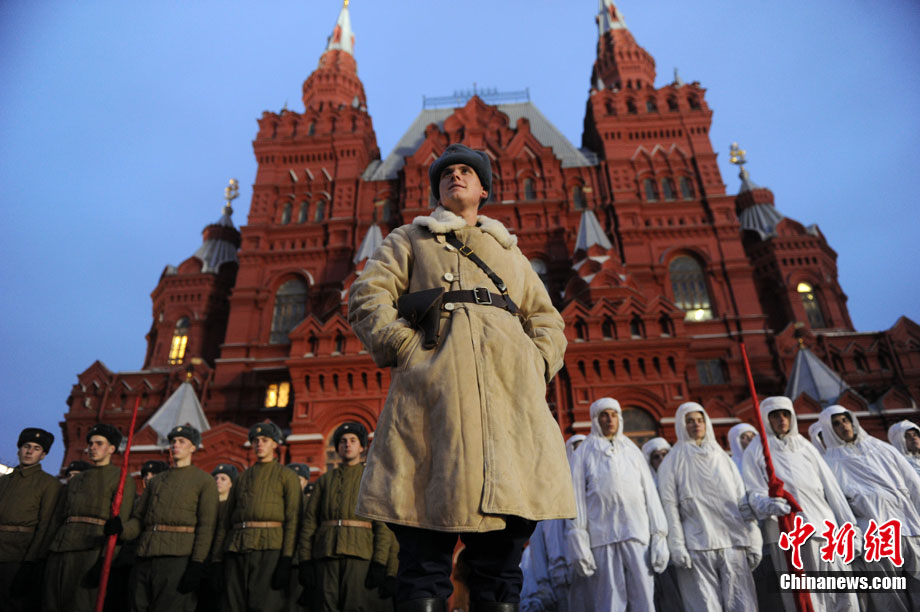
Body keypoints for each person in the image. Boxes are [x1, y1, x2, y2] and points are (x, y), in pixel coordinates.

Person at [348, 143, 574, 612]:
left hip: (511, 409)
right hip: (433, 406)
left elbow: (547, 319)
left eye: (466, 171)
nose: (456, 176)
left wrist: (537, 365)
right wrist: (407, 349)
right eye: (447, 172)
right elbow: (368, 297)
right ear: (436, 190)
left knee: (500, 569)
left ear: (484, 189)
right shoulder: (409, 238)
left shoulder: (511, 253)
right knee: (424, 561)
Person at [741, 396, 859, 612]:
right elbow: (753, 492)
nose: (782, 419)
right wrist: (769, 504)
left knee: (845, 594)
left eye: (785, 414)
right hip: (789, 533)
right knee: (809, 598)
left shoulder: (805, 446)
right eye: (775, 416)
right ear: (767, 419)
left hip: (825, 528)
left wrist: (850, 528)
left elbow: (831, 490)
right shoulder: (757, 450)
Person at [565, 397, 669, 612]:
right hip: (602, 535)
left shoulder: (632, 451)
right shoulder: (584, 453)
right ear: (595, 419)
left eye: (613, 414)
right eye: (604, 415)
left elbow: (649, 494)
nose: (609, 419)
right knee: (609, 600)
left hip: (637, 532)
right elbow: (576, 498)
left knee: (644, 598)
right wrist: (579, 539)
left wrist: (658, 534)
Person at [657, 402, 761, 611]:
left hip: (733, 540)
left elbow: (741, 499)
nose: (696, 425)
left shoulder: (723, 457)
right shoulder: (672, 461)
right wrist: (677, 545)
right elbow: (670, 506)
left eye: (699, 420)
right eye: (690, 421)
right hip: (697, 543)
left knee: (743, 603)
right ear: (681, 425)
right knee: (704, 604)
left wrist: (754, 538)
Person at [105, 425, 218, 611]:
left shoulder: (203, 481)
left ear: (193, 447)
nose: (176, 445)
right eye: (173, 441)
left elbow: (206, 527)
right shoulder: (156, 482)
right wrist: (121, 529)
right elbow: (139, 520)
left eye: (182, 441)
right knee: (137, 606)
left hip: (177, 559)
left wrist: (197, 563)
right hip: (145, 556)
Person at [819, 405, 920, 610]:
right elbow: (839, 506)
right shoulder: (829, 462)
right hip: (874, 537)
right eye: (836, 424)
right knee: (891, 599)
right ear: (829, 430)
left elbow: (913, 485)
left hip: (909, 528)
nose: (843, 426)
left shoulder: (882, 448)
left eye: (845, 420)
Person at [298, 422, 394, 612]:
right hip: (326, 553)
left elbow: (382, 527)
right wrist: (305, 560)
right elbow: (309, 523)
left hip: (360, 555)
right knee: (326, 605)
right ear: (338, 447)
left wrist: (380, 562)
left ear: (361, 447)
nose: (347, 445)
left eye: (352, 440)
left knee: (355, 605)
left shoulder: (371, 479)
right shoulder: (325, 481)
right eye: (342, 441)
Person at [43, 423, 136, 612]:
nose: (92, 447)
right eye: (91, 443)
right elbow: (58, 517)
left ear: (111, 449)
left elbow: (118, 525)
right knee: (51, 602)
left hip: (90, 551)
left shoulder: (121, 478)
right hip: (60, 548)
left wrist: (104, 561)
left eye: (99, 443)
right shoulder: (76, 479)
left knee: (80, 604)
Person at [212, 421, 301, 612]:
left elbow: (294, 519)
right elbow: (225, 522)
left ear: (275, 444)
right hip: (237, 547)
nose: (259, 444)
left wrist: (287, 558)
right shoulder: (242, 478)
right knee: (233, 605)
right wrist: (217, 559)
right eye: (256, 440)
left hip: (269, 549)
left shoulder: (286, 476)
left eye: (265, 440)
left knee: (264, 605)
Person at [0, 428, 61, 611]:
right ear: (19, 449)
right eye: (26, 446)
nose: (29, 452)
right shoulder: (4, 481)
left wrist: (31, 561)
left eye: (36, 448)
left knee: (11, 603)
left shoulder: (49, 484)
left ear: (43, 455)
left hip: (19, 554)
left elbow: (46, 525)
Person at [197, 463, 238, 612]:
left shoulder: (233, 507)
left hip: (223, 562)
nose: (218, 481)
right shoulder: (205, 506)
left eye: (223, 478)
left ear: (232, 483)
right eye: (216, 478)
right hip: (203, 561)